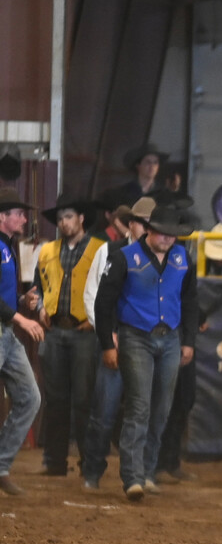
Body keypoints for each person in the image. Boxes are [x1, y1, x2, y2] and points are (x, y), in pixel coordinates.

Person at [95, 203, 198, 501]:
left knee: (162, 407)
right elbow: (104, 303)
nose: (167, 239)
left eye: (172, 235)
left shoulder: (182, 258)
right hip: (135, 336)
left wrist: (188, 339)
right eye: (163, 233)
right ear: (149, 230)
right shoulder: (124, 257)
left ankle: (148, 471)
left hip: (171, 338)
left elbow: (190, 300)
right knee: (140, 405)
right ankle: (133, 476)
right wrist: (106, 343)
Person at [81, 199, 151, 491]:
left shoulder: (161, 255)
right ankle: (93, 470)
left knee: (142, 410)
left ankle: (140, 473)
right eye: (143, 223)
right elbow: (92, 296)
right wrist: (107, 335)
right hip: (115, 338)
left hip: (145, 341)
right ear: (131, 223)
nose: (147, 229)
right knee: (105, 409)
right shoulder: (108, 250)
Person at [33, 194, 105, 476]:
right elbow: (38, 287)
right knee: (56, 399)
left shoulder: (101, 250)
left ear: (81, 219)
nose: (63, 223)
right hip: (54, 330)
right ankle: (54, 461)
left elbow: (110, 290)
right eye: (60, 218)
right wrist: (39, 307)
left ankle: (89, 463)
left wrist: (97, 321)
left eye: (69, 217)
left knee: (84, 400)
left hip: (85, 331)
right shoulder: (47, 250)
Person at [0, 188, 45, 496]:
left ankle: (1, 466)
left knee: (30, 397)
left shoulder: (9, 246)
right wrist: (22, 318)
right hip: (7, 328)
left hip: (5, 331)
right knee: (29, 398)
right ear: (3, 217)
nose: (24, 218)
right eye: (18, 213)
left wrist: (20, 301)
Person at [99, 143, 168, 210]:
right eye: (148, 162)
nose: (152, 166)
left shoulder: (162, 193)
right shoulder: (124, 192)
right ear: (138, 165)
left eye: (155, 162)